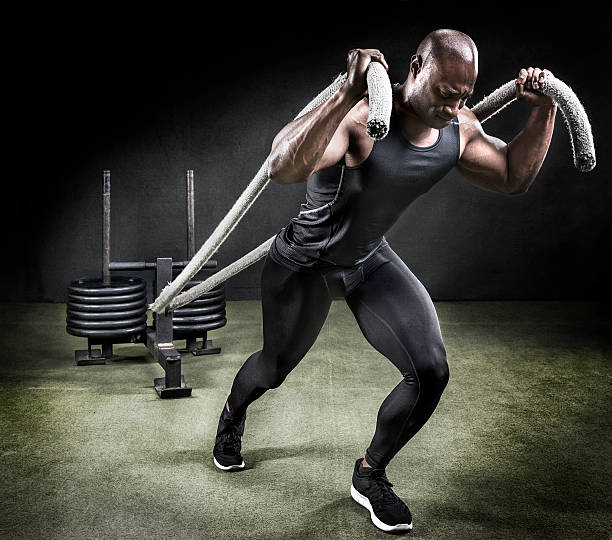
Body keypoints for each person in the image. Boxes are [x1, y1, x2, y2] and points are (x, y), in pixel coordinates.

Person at [213, 29, 556, 533]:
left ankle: (370, 475)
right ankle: (231, 414)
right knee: (273, 367)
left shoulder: (459, 128)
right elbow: (281, 168)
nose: (455, 106)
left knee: (431, 369)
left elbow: (512, 176)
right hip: (305, 265)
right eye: (446, 93)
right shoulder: (360, 120)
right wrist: (344, 93)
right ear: (416, 68)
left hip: (368, 262)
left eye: (464, 94)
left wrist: (543, 110)